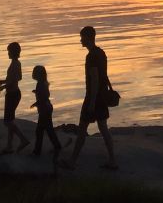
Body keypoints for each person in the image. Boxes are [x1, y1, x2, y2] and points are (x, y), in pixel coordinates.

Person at [64, 25, 116, 170]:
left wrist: (91, 102)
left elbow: (94, 79)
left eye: (82, 37)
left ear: (88, 38)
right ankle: (112, 161)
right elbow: (104, 75)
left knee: (82, 130)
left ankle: (72, 162)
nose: (81, 40)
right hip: (102, 95)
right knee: (104, 129)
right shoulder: (101, 53)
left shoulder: (91, 56)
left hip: (93, 97)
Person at [0, 41, 30, 153]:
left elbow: (15, 80)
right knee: (10, 121)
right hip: (15, 94)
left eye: (9, 51)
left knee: (7, 122)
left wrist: (4, 86)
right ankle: (9, 145)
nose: (8, 53)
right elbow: (18, 77)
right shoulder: (17, 63)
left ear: (13, 52)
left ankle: (23, 140)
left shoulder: (15, 64)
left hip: (12, 95)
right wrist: (4, 81)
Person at [31, 63, 63, 159]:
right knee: (48, 130)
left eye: (34, 73)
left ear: (38, 75)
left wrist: (36, 103)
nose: (33, 74)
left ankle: (37, 151)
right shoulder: (43, 83)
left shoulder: (40, 84)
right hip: (47, 108)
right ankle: (56, 146)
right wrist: (36, 92)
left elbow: (44, 97)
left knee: (40, 131)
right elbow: (45, 94)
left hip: (44, 110)